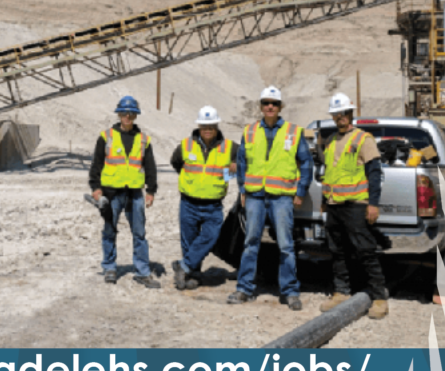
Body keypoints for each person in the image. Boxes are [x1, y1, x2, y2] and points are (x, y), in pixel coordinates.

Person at [230, 86, 313, 310]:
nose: (270, 107)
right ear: (261, 106)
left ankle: (290, 291)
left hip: (282, 198)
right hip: (255, 195)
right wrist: (243, 190)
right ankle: (244, 288)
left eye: (274, 103)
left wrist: (301, 191)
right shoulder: (249, 131)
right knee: (250, 243)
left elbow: (306, 163)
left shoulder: (293, 132)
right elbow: (242, 164)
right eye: (266, 102)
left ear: (280, 107)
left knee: (286, 245)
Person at [317, 92, 389, 319]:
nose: (341, 117)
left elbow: (375, 173)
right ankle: (341, 291)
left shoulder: (363, 139)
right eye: (337, 114)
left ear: (351, 113)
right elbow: (329, 173)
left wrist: (373, 204)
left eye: (344, 113)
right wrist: (324, 201)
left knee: (365, 250)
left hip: (356, 204)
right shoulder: (330, 141)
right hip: (334, 205)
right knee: (337, 250)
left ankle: (378, 298)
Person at [88, 95, 160, 288]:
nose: (127, 117)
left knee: (139, 233)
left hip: (135, 193)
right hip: (112, 193)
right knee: (110, 230)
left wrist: (151, 190)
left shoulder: (144, 140)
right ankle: (110, 267)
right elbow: (96, 164)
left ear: (135, 116)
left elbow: (150, 167)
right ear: (119, 114)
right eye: (124, 113)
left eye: (131, 114)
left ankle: (142, 272)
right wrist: (96, 188)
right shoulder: (107, 137)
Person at [169, 106, 236, 290]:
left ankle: (182, 266)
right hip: (188, 203)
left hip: (213, 205)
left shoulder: (230, 147)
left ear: (217, 126)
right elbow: (175, 162)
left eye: (211, 126)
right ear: (198, 126)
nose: (208, 130)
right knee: (189, 242)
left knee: (211, 237)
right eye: (204, 126)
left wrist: (231, 173)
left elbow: (245, 162)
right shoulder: (186, 145)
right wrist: (191, 181)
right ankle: (192, 276)